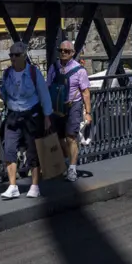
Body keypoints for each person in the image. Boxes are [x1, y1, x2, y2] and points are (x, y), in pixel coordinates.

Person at [0, 41, 53, 199]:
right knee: (9, 149)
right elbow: (3, 93)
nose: (13, 58)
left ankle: (35, 185)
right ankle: (12, 186)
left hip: (31, 115)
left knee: (33, 150)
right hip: (13, 115)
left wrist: (47, 116)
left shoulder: (33, 73)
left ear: (24, 56)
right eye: (11, 55)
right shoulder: (7, 74)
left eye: (16, 55)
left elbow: (44, 95)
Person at [48, 41, 92, 182]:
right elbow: (48, 87)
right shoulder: (53, 68)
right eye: (61, 50)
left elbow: (85, 92)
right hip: (57, 107)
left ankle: (72, 168)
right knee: (60, 138)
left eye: (66, 51)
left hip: (73, 105)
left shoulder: (79, 70)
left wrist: (88, 112)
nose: (63, 53)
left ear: (72, 53)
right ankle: (67, 161)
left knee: (71, 137)